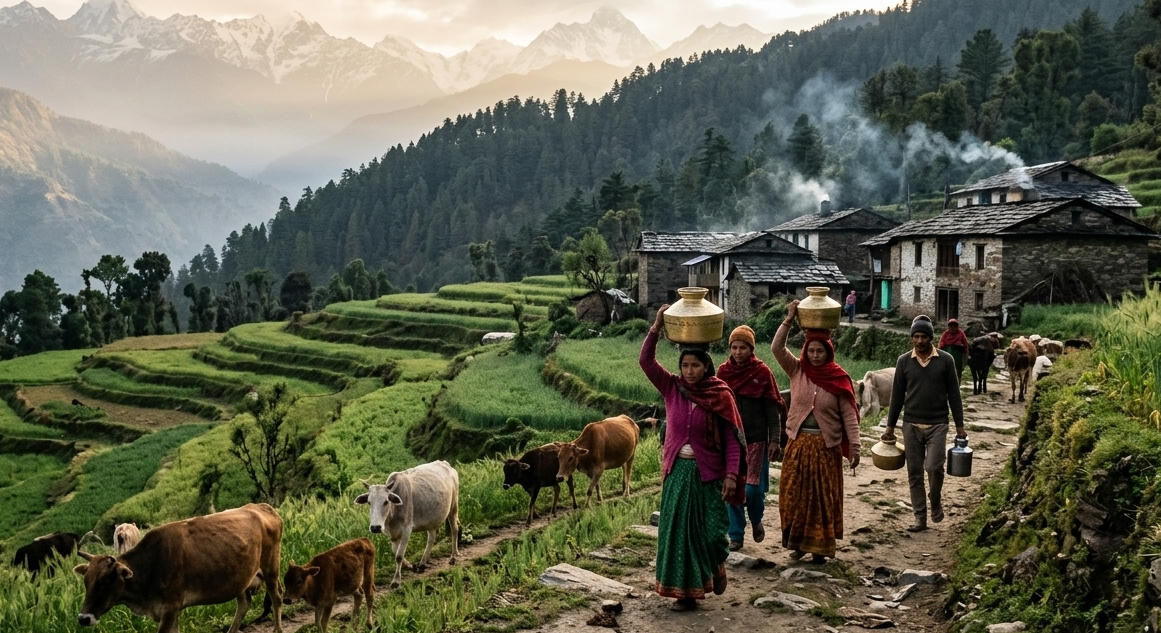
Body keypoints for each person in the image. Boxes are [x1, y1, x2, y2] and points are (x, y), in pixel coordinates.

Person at [640, 305, 744, 611]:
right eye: (685, 365)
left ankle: (717, 564)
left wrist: (731, 474)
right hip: (677, 473)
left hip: (708, 475)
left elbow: (732, 440)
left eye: (695, 365)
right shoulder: (673, 388)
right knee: (677, 535)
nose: (689, 371)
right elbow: (646, 361)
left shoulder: (720, 394)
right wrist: (656, 327)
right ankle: (685, 593)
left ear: (706, 366)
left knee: (711, 534)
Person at [771, 300, 860, 563]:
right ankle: (798, 544)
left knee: (821, 498)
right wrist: (789, 319)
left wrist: (854, 446)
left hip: (825, 448)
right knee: (795, 495)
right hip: (798, 445)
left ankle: (820, 547)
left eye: (820, 351)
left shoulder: (838, 378)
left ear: (828, 352)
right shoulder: (797, 370)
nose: (815, 355)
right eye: (811, 351)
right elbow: (777, 348)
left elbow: (849, 416)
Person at [882, 315, 967, 533]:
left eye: (923, 337)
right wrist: (890, 426)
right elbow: (897, 396)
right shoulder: (904, 361)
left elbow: (954, 396)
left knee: (933, 467)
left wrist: (960, 426)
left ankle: (935, 499)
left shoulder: (946, 360)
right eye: (916, 337)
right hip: (910, 424)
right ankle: (920, 517)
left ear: (931, 337)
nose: (919, 341)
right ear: (911, 338)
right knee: (915, 473)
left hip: (938, 424)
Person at [717, 325, 786, 552]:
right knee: (732, 488)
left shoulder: (761, 373)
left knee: (752, 490)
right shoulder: (723, 373)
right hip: (730, 440)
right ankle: (736, 534)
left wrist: (775, 439)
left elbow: (772, 408)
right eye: (734, 347)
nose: (738, 352)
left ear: (751, 349)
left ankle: (756, 519)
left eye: (743, 348)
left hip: (756, 440)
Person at [938, 318, 970, 382]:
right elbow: (941, 343)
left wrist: (966, 354)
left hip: (958, 355)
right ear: (948, 327)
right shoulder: (946, 333)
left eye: (954, 326)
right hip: (947, 353)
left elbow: (965, 344)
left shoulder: (961, 333)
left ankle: (957, 385)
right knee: (947, 370)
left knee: (957, 371)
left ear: (957, 327)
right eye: (951, 326)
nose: (952, 328)